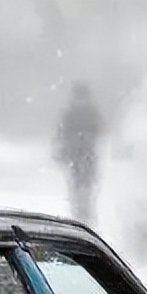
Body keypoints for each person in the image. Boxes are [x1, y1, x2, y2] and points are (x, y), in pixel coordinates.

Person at [54, 82, 104, 223]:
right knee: (82, 183)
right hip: (81, 153)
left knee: (81, 183)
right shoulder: (88, 111)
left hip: (79, 153)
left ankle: (82, 208)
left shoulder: (74, 111)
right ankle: (82, 208)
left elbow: (62, 132)